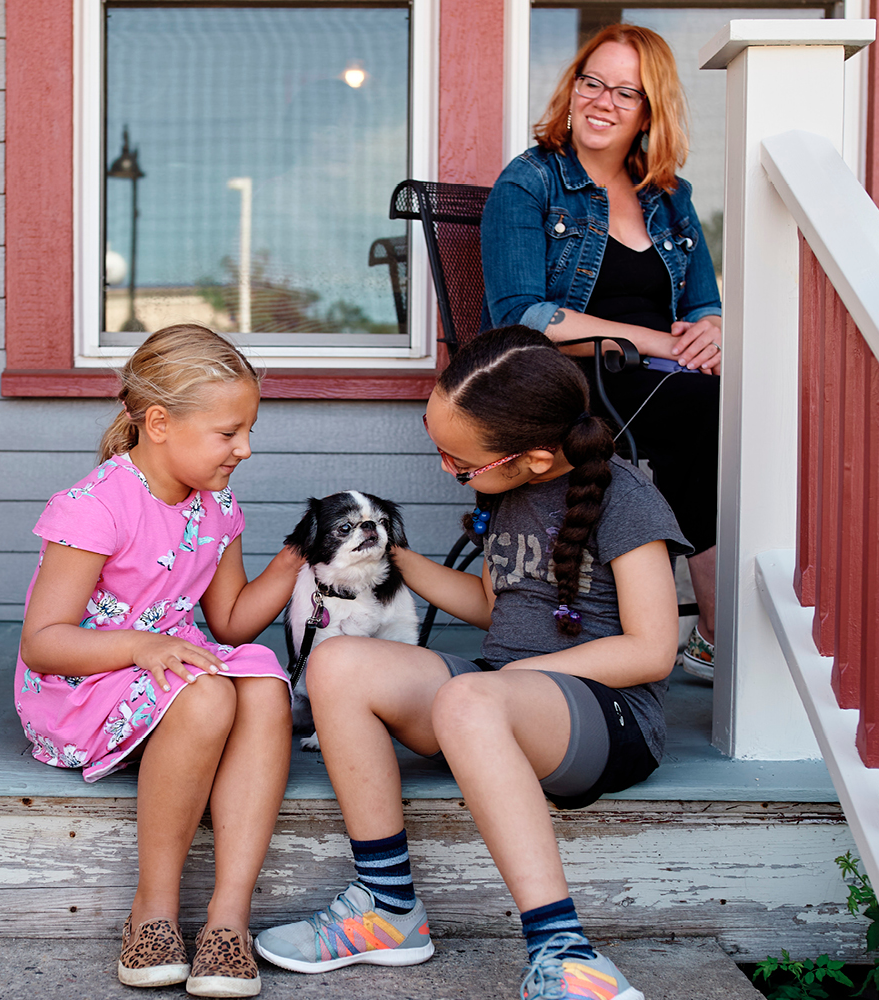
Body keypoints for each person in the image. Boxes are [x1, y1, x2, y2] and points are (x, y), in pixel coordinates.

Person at [255, 327, 691, 1000]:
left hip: (604, 719)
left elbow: (653, 649)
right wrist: (391, 560)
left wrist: (513, 682)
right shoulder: (507, 490)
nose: (444, 468)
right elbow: (494, 607)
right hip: (494, 700)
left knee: (472, 696)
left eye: (457, 461)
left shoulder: (628, 499)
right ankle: (387, 907)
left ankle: (565, 954)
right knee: (336, 663)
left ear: (537, 458)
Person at [15, 325, 303, 998]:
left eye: (249, 430)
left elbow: (229, 619)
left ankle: (229, 920)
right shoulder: (95, 507)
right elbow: (44, 641)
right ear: (160, 422)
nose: (246, 449)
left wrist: (293, 560)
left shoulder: (217, 504)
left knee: (262, 684)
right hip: (81, 686)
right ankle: (153, 911)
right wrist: (143, 646)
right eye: (229, 433)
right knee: (206, 693)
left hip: (171, 664)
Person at [481, 24, 722, 681]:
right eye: (593, 82)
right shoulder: (530, 183)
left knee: (732, 406)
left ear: (650, 110)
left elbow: (702, 302)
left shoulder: (668, 197)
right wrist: (652, 340)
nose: (603, 101)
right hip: (563, 379)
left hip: (658, 380)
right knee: (709, 409)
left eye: (626, 91)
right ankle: (714, 630)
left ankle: (710, 630)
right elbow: (520, 315)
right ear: (572, 88)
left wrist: (712, 332)